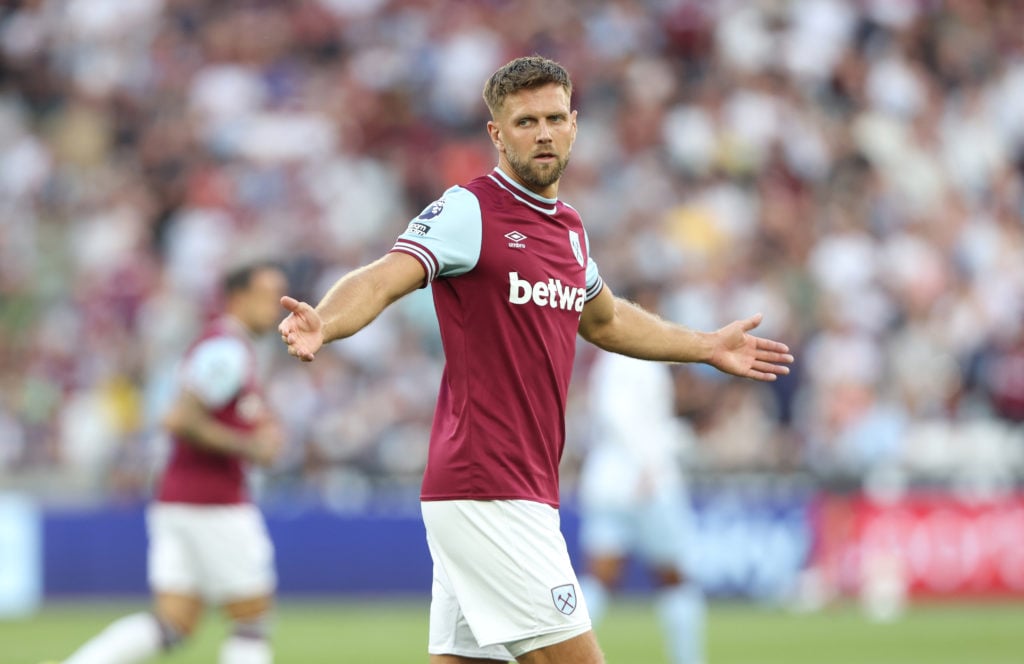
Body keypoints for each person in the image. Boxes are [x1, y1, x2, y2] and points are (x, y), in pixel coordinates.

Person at [278, 55, 793, 664]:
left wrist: (705, 346)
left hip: (513, 487)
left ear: (574, 124)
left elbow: (604, 318)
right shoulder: (470, 210)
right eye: (525, 122)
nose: (543, 133)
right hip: (487, 486)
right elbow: (388, 276)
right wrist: (328, 322)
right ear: (497, 134)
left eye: (554, 118)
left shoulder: (569, 229)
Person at [59, 260, 288, 664]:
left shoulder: (218, 345)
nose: (277, 306)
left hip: (177, 498)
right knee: (251, 621)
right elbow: (179, 418)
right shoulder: (227, 349)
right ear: (237, 298)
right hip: (213, 503)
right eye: (267, 296)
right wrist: (252, 447)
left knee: (173, 623)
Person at [577, 284, 706, 664]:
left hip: (607, 481)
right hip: (645, 481)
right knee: (675, 577)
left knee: (600, 577)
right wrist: (648, 462)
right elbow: (618, 416)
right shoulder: (632, 359)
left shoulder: (608, 360)